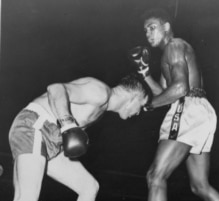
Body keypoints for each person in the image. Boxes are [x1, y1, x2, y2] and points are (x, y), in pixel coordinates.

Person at [129, 8, 219, 201]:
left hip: (187, 107)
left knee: (155, 176)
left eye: (152, 27)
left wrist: (147, 105)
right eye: (145, 31)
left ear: (166, 27)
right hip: (200, 111)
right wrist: (145, 73)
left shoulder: (173, 46)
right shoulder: (173, 51)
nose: (148, 34)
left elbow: (180, 89)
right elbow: (164, 94)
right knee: (200, 186)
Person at [9, 73, 151, 201]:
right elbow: (56, 88)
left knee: (89, 187)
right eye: (142, 105)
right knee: (28, 197)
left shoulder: (102, 109)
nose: (139, 112)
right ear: (134, 97)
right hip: (36, 125)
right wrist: (68, 124)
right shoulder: (100, 92)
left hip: (51, 138)